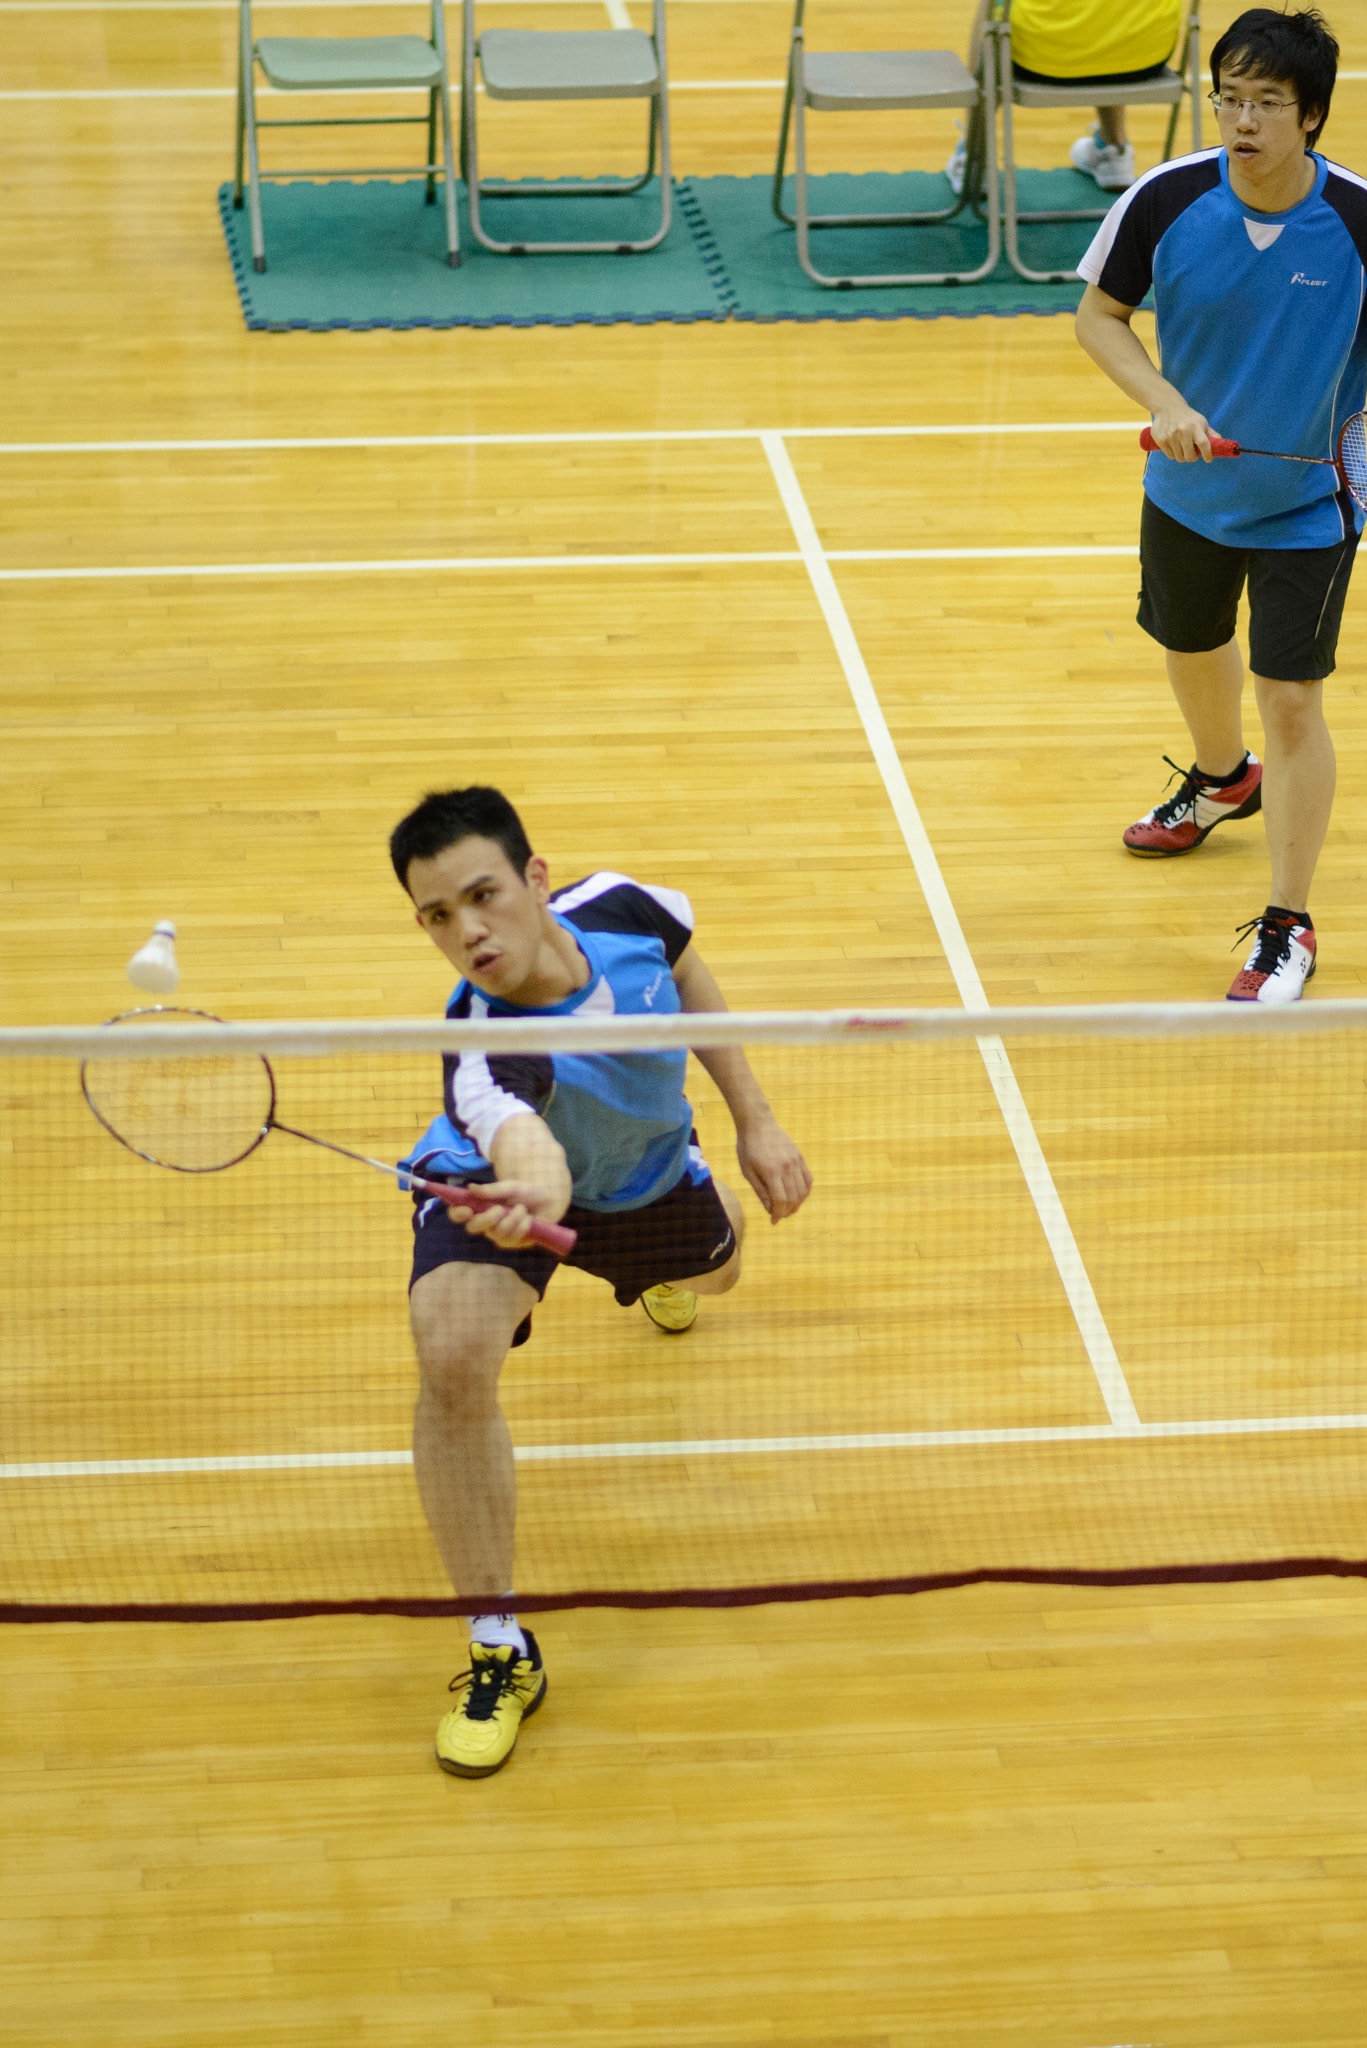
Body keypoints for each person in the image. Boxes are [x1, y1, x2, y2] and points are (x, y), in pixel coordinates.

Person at [388, 787, 813, 1777]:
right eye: (437, 915)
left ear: (536, 880)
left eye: (482, 895)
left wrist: (754, 1118)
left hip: (646, 1177)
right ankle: (498, 1640)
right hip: (498, 1190)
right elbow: (525, 1147)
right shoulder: (481, 1043)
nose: (467, 931)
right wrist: (526, 1196)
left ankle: (662, 1270)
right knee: (451, 1354)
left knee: (721, 1273)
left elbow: (685, 967)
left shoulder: (625, 907)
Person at [1075, 6, 1366, 1003]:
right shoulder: (1163, 199)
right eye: (1228, 98)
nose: (1242, 120)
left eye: (1266, 103)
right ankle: (1220, 778)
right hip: (1186, 488)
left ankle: (1287, 923)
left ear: (1310, 116)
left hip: (1310, 500)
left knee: (1289, 697)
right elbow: (1098, 317)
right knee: (1190, 645)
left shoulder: (1356, 221)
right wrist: (1163, 402)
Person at [947, 0, 1185, 195]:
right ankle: (1114, 149)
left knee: (990, 11)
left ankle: (974, 156)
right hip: (1146, 50)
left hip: (1041, 54)